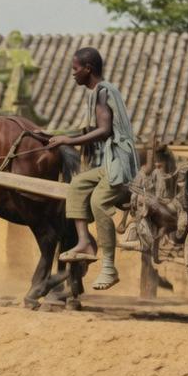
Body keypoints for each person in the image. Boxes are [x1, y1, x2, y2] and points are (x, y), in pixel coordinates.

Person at [50, 47, 139, 291]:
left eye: (75, 69)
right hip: (110, 162)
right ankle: (84, 243)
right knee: (77, 185)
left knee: (99, 201)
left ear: (88, 69)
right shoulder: (103, 91)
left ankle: (109, 268)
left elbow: (104, 130)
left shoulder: (102, 91)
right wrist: (54, 136)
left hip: (119, 162)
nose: (73, 74)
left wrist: (66, 141)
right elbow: (92, 131)